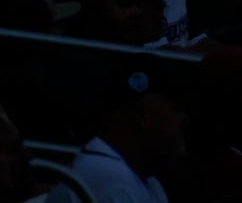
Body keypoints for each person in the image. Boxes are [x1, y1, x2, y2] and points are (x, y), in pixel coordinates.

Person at [46, 59, 186, 203]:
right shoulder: (111, 181)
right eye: (177, 107)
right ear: (145, 114)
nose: (185, 119)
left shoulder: (146, 181)